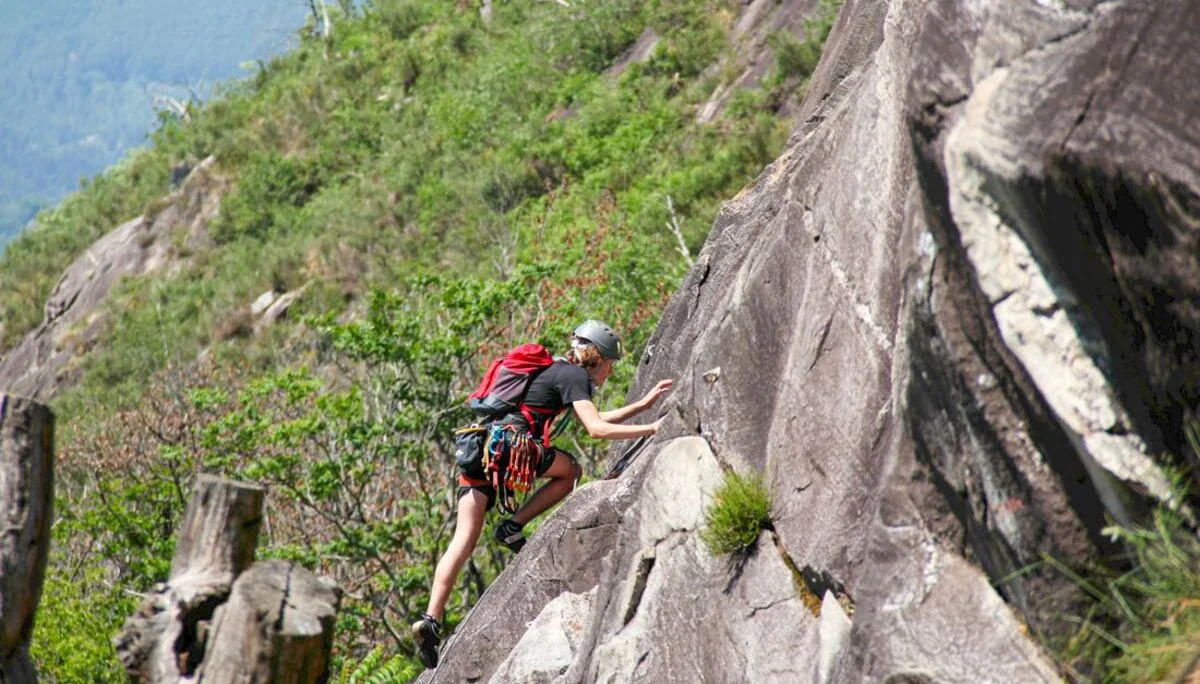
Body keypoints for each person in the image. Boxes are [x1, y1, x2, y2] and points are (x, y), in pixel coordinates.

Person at [411, 320, 673, 669]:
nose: (610, 372)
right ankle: (512, 526)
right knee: (571, 471)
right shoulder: (575, 376)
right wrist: (653, 427)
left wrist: (642, 405)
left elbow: (595, 416)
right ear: (597, 357)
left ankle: (430, 620)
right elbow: (596, 428)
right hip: (512, 448)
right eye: (610, 364)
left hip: (481, 448)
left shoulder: (557, 370)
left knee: (463, 540)